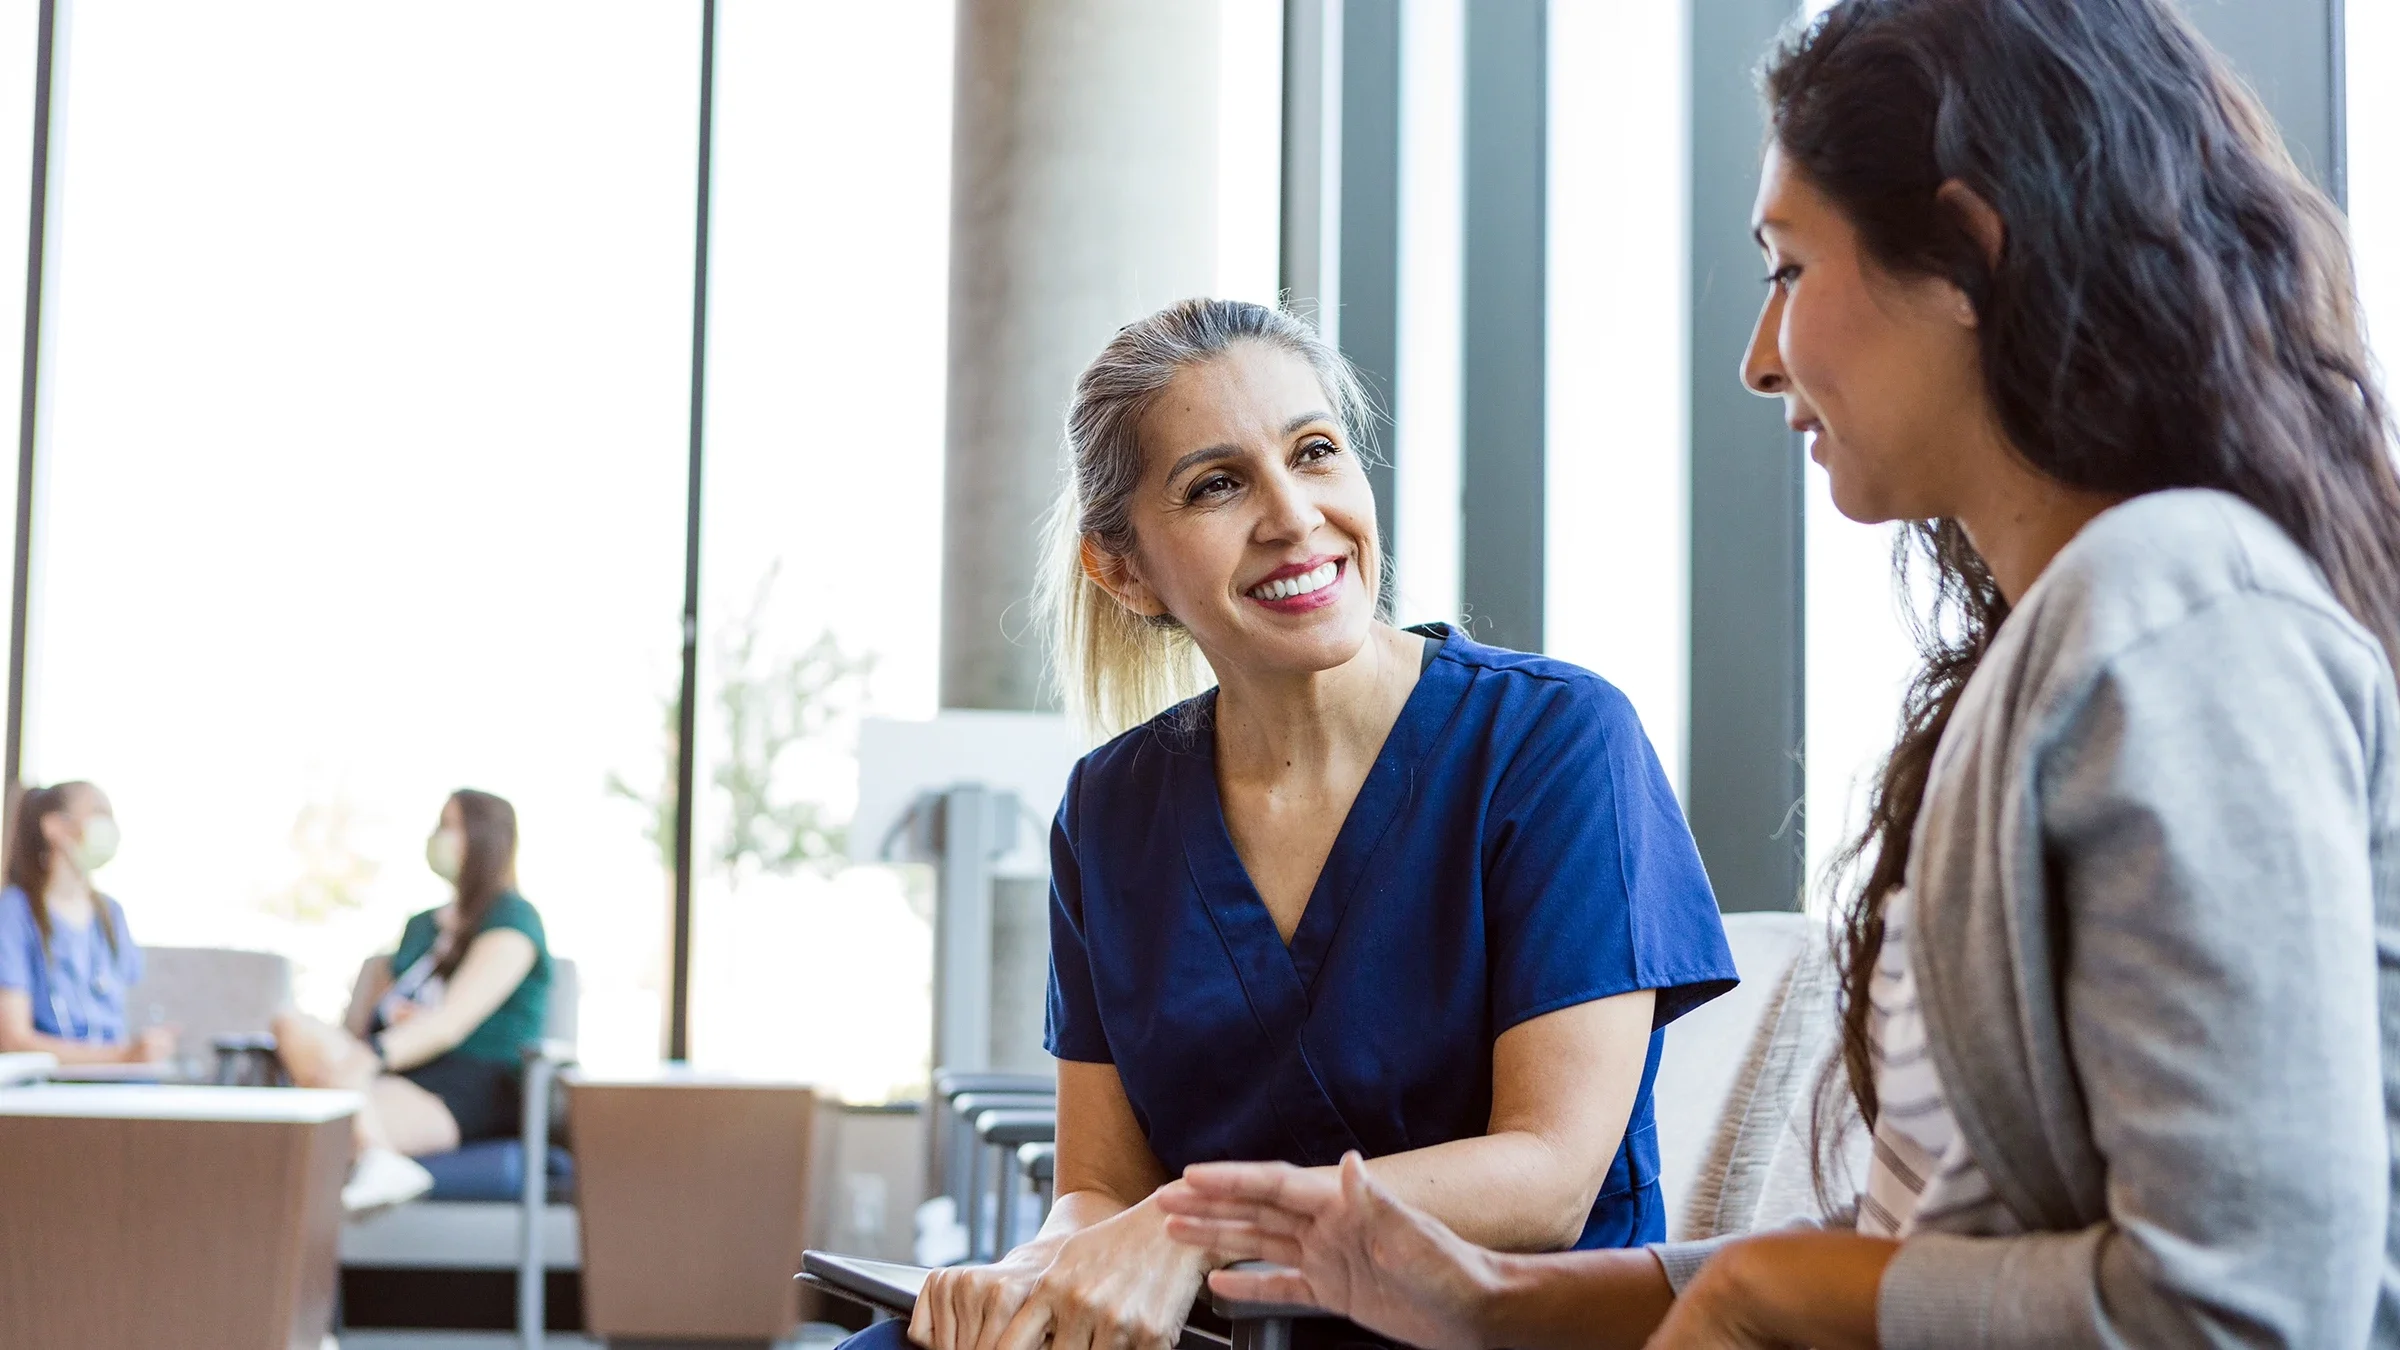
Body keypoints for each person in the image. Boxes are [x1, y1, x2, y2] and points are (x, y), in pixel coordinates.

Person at [1155, 1, 2400, 1347]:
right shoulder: (2078, 643)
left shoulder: (2175, 618)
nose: (1759, 358)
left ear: (1971, 251)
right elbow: (1944, 1261)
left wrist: (1756, 1293)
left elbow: (2248, 1307)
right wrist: (1484, 1295)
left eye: (1789, 268)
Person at [880, 298, 1738, 1350]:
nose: (1292, 516)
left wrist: (1196, 1230)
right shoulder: (1110, 811)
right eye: (1216, 485)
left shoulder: (1556, 740)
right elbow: (1100, 1186)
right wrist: (1031, 1271)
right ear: (1125, 569)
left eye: (1316, 452)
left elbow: (1550, 1179)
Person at [275, 788, 552, 1212]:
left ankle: (369, 1154)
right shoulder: (421, 926)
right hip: (391, 1071)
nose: (438, 838)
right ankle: (377, 1157)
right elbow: (368, 1020)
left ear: (485, 838)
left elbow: (450, 1023)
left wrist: (372, 1056)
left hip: (466, 1081)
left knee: (327, 1122)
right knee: (292, 1026)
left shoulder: (513, 918)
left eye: (450, 826)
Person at [0, 781, 172, 1066]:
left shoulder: (110, 914)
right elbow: (14, 1039)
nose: (109, 827)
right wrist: (120, 1057)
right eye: (99, 812)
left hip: (120, 1083)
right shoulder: (15, 913)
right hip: (54, 1090)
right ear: (55, 826)